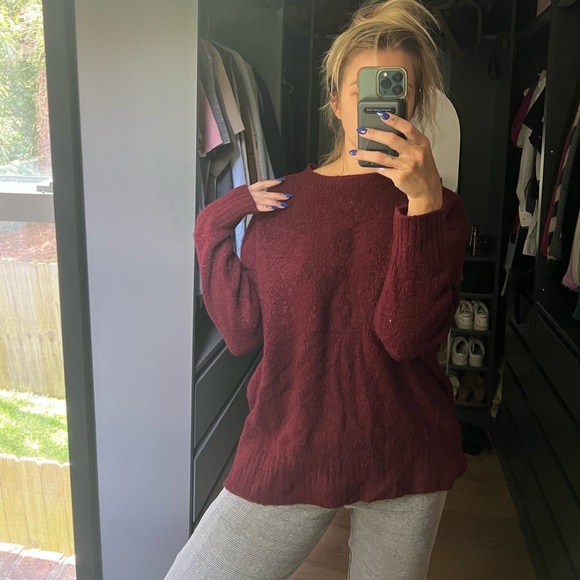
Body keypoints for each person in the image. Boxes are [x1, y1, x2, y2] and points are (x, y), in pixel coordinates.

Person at [165, 0, 469, 578]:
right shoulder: (283, 204)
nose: (380, 105)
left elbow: (403, 337)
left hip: (406, 452)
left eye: (397, 91)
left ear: (414, 104)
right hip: (291, 444)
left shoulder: (439, 212)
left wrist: (424, 205)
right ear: (336, 101)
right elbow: (242, 332)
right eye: (364, 90)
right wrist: (212, 224)